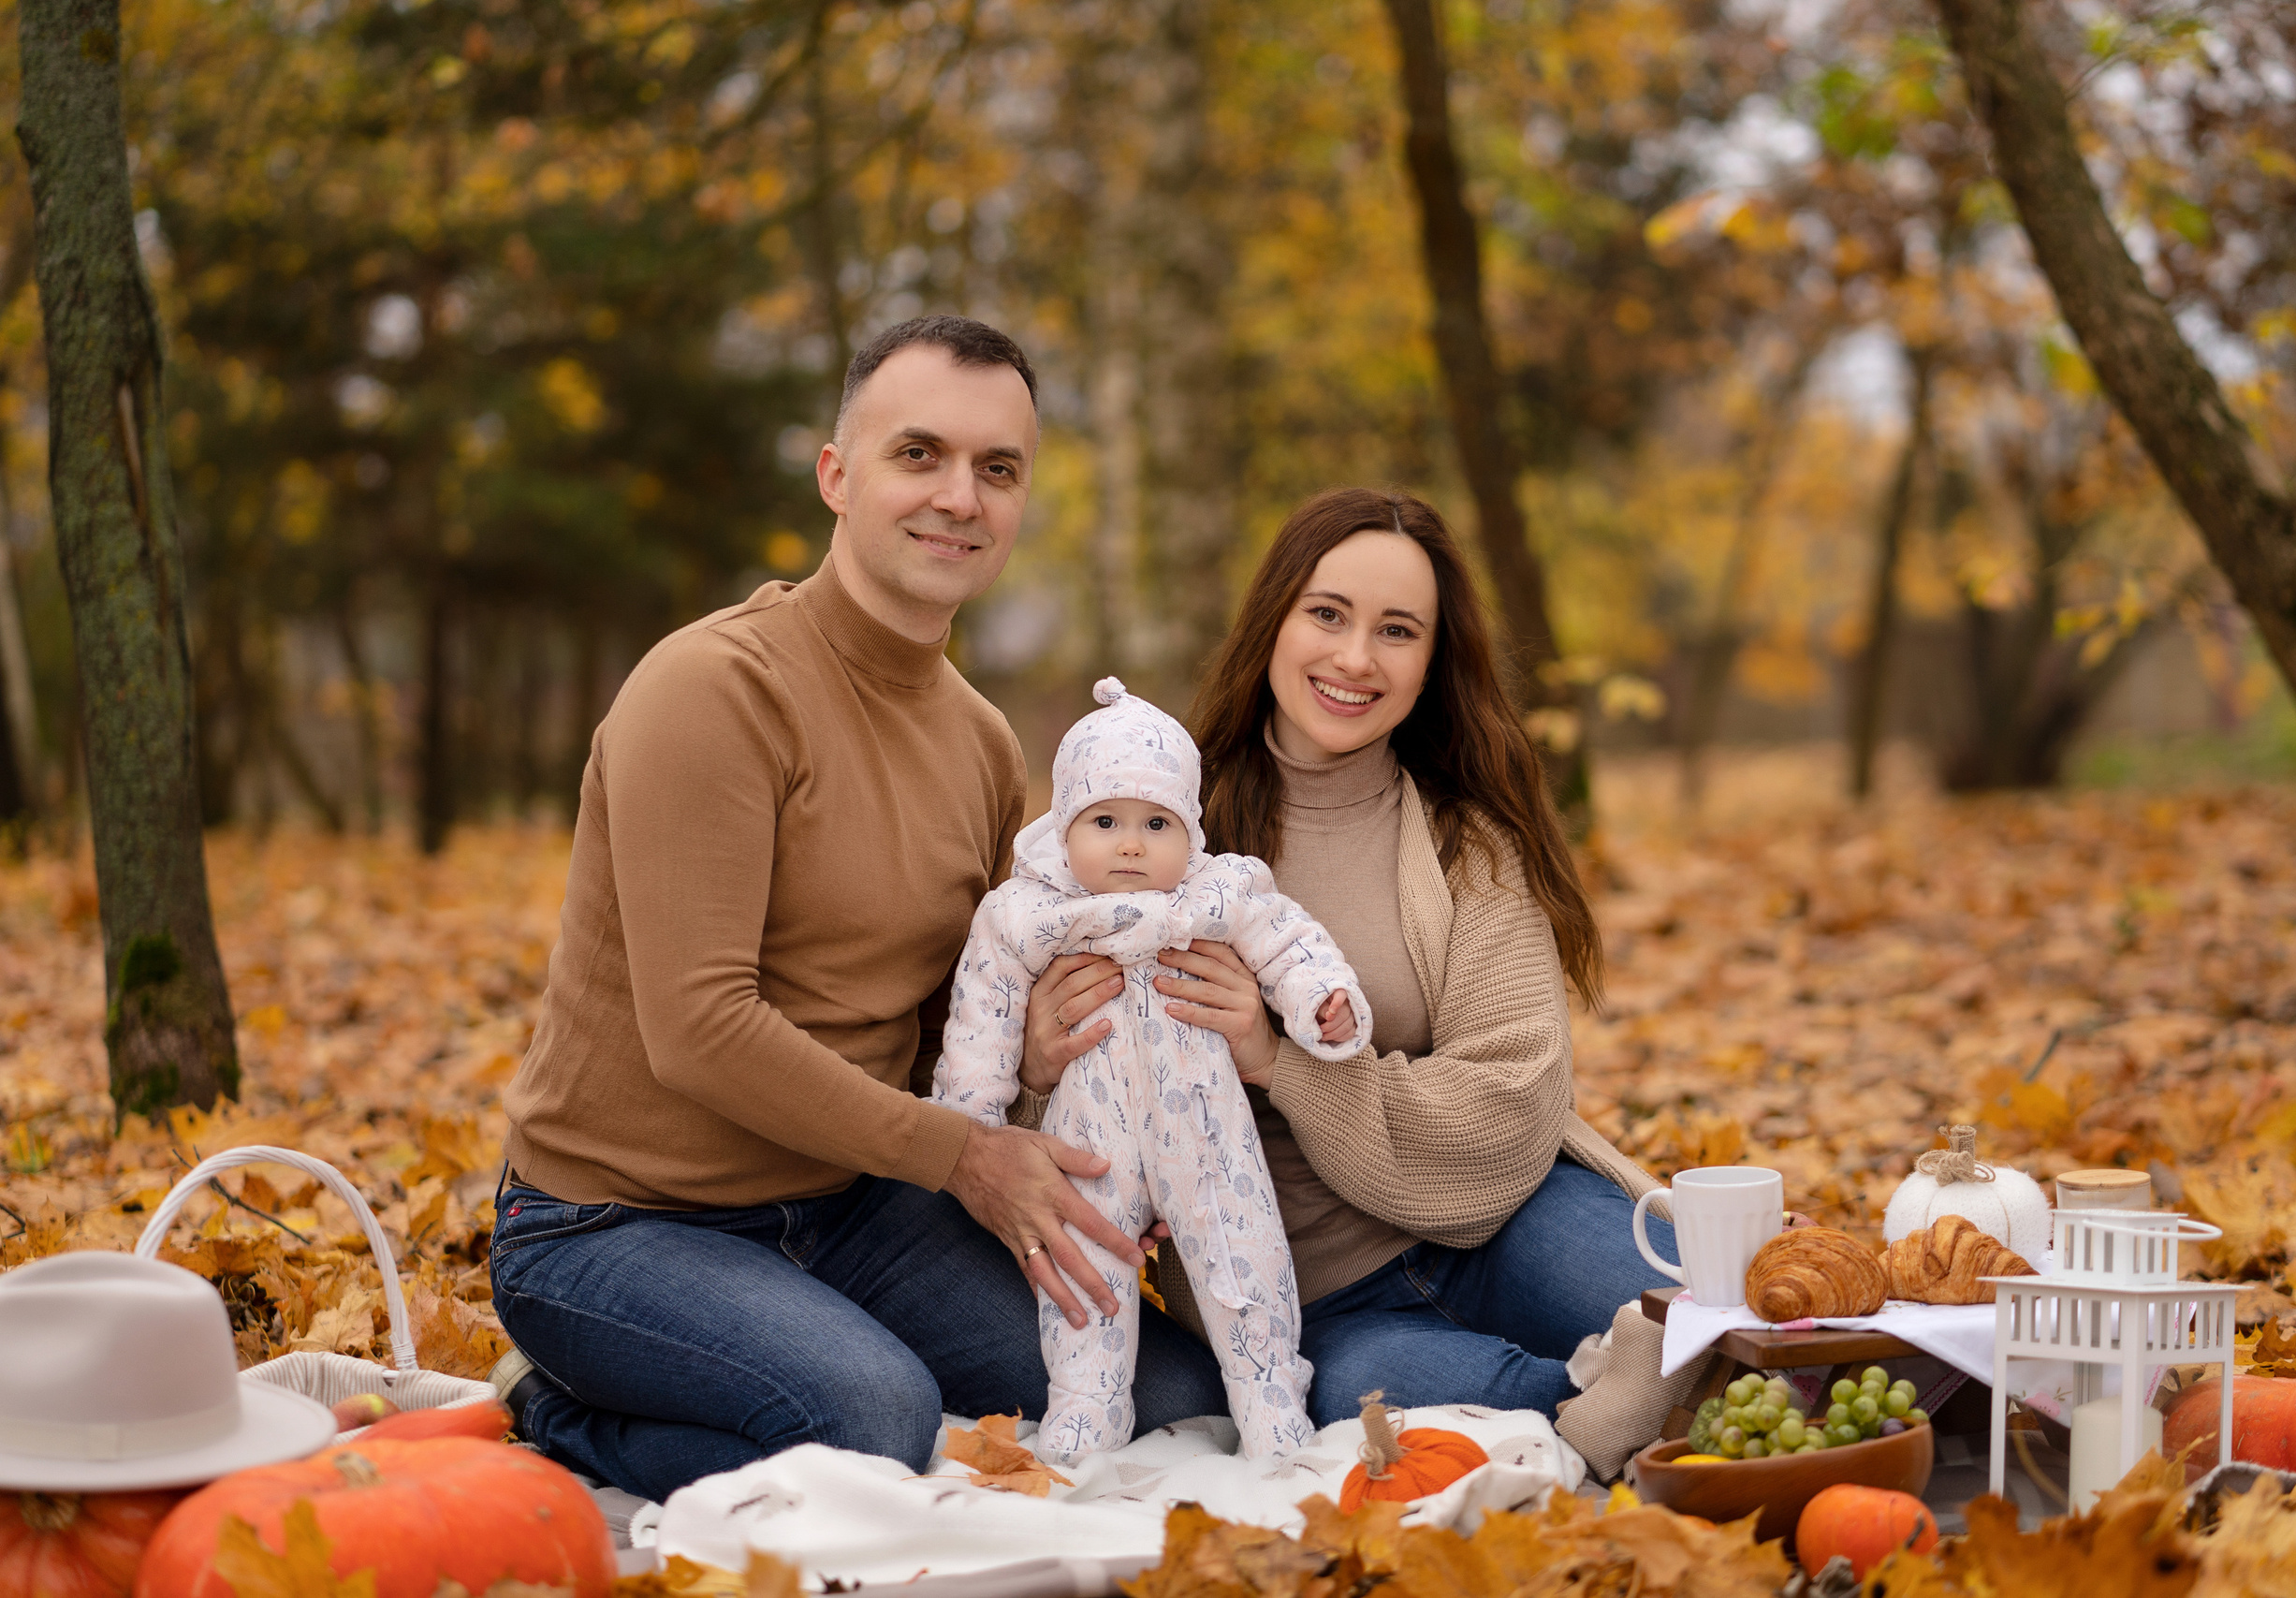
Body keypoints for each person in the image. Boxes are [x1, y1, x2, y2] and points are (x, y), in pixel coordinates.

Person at [486, 317, 1226, 1503]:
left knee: (1165, 1389)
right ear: (837, 476)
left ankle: (790, 1350)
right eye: (918, 454)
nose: (959, 498)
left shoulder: (982, 743)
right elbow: (699, 1030)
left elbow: (947, 1020)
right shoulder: (716, 689)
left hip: (849, 1207)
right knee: (869, 1417)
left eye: (997, 469)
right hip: (615, 1228)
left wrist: (1047, 1084)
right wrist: (965, 1159)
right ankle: (554, 1409)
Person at [1012, 487, 1678, 1456]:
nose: (1355, 658)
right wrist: (1038, 1066)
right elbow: (1057, 1105)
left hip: (1508, 1222)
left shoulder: (1466, 842)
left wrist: (1278, 1060)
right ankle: (1601, 1404)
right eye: (1327, 614)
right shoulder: (1149, 824)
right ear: (1274, 622)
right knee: (1392, 1407)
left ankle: (1690, 1390)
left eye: (1396, 630)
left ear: (1431, 662)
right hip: (1317, 1302)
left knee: (1713, 1323)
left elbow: (1512, 1100)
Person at [932, 676, 1369, 1463]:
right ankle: (1086, 1406)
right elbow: (980, 1012)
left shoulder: (1217, 892)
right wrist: (971, 1120)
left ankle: (1271, 1400)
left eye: (1156, 823)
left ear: (1189, 832)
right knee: (1082, 1266)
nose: (1131, 844)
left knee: (1245, 1258)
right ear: (1065, 827)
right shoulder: (1027, 912)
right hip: (1088, 1145)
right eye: (1105, 821)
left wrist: (1322, 1001)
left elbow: (1289, 941)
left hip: (1206, 1132)